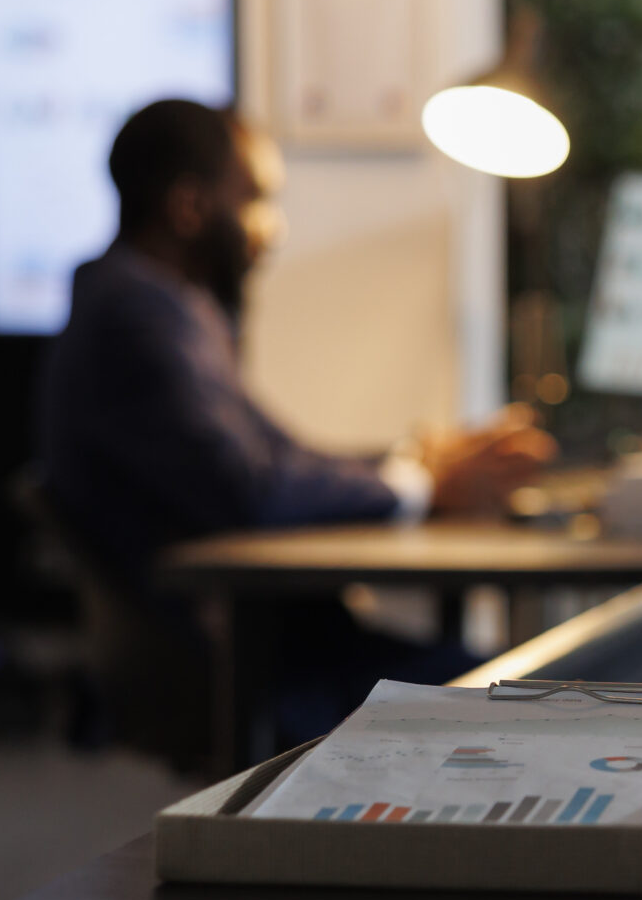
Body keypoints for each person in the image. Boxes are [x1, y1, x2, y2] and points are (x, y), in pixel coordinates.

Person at [39, 99, 552, 761]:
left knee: (516, 674)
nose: (273, 230)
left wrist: (413, 461)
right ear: (190, 207)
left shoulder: (156, 305)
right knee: (540, 687)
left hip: (272, 647)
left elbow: (275, 456)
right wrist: (420, 485)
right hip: (250, 669)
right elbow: (250, 488)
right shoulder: (139, 319)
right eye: (256, 199)